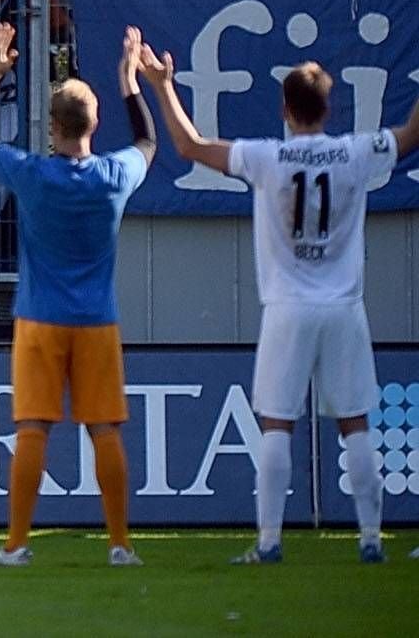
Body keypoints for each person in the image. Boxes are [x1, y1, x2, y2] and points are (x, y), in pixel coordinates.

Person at [139, 38, 419, 563]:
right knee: (355, 421)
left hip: (287, 308)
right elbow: (409, 136)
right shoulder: (356, 152)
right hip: (344, 308)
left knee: (276, 423)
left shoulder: (266, 157)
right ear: (328, 108)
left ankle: (269, 542)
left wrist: (161, 86)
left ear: (286, 110)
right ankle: (371, 538)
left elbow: (190, 146)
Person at [0, 22, 152, 569]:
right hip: (97, 319)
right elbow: (148, 142)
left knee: (32, 429)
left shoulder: (33, 173)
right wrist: (130, 81)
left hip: (40, 318)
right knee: (105, 430)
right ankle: (120, 544)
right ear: (94, 124)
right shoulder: (115, 175)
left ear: (53, 127)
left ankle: (16, 545)